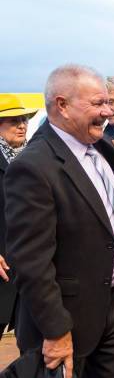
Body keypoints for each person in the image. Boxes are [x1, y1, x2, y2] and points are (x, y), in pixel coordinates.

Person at [4, 64, 114, 378]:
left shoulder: (104, 150)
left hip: (111, 307)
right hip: (60, 322)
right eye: (97, 104)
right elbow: (31, 261)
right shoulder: (33, 166)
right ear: (62, 105)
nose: (107, 112)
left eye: (108, 103)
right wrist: (55, 331)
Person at [0, 94, 38, 340]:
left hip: (25, 266)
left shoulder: (31, 159)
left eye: (23, 119)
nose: (22, 125)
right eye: (13, 120)